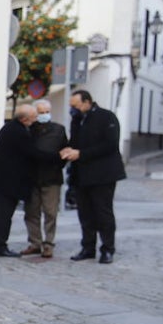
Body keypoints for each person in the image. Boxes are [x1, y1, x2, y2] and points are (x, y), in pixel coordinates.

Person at [61, 90, 126, 263]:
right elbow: (75, 142)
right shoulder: (77, 120)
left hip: (103, 175)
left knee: (103, 213)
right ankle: (87, 247)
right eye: (71, 106)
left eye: (75, 106)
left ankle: (107, 249)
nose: (73, 109)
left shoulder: (107, 117)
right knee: (85, 214)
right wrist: (68, 149)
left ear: (87, 102)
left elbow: (110, 145)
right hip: (81, 175)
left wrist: (81, 154)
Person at [0, 104, 39, 258]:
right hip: (8, 182)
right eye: (34, 117)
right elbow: (32, 153)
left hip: (0, 180)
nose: (36, 120)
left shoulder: (9, 128)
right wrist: (56, 156)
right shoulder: (19, 132)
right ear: (24, 118)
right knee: (3, 216)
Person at [21, 99, 68, 257]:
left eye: (46, 112)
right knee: (31, 212)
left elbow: (64, 153)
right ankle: (35, 242)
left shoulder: (59, 130)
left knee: (51, 212)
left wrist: (56, 164)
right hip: (32, 177)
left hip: (52, 177)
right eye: (40, 112)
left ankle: (48, 243)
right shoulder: (29, 129)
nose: (44, 115)